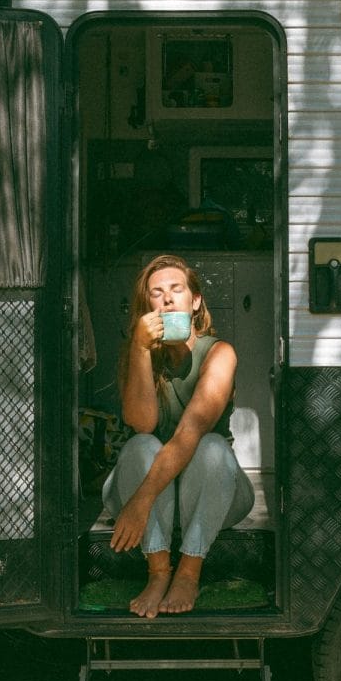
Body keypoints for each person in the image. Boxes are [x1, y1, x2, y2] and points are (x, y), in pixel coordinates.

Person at [102, 253, 255, 618]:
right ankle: (158, 572)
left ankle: (188, 572)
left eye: (177, 289)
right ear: (147, 307)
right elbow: (142, 423)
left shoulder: (220, 353)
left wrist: (139, 502)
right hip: (154, 498)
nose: (168, 298)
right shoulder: (138, 355)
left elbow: (190, 432)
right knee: (141, 444)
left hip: (209, 494)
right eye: (156, 293)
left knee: (213, 447)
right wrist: (140, 349)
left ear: (195, 301)